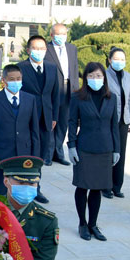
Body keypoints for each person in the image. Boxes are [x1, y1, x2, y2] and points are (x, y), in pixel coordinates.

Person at [68, 62, 120, 242]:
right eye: (91, 76)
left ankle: (93, 224)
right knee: (83, 186)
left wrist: (117, 149)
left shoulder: (111, 98)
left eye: (98, 76)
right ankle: (82, 223)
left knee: (97, 188)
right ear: (85, 78)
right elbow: (72, 122)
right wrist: (71, 146)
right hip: (85, 147)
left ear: (104, 78)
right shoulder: (77, 97)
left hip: (105, 148)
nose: (95, 79)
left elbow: (114, 125)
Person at [0, 64, 41, 196]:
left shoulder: (30, 99)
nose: (16, 82)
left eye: (18, 79)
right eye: (12, 79)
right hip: (2, 155)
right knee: (2, 191)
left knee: (23, 192)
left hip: (24, 154)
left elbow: (34, 130)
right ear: (4, 81)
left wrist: (35, 156)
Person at [17, 36, 59, 203]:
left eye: (42, 48)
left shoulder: (52, 68)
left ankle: (36, 188)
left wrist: (54, 116)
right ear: (28, 50)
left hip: (45, 118)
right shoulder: (21, 68)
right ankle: (21, 186)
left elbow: (56, 94)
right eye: (35, 48)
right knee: (26, 153)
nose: (39, 51)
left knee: (40, 156)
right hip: (25, 118)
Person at [104, 48, 130, 199]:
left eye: (122, 59)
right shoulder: (104, 75)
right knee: (108, 152)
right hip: (109, 120)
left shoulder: (128, 76)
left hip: (123, 120)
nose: (119, 62)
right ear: (110, 60)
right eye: (116, 59)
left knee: (121, 154)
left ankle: (117, 186)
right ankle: (106, 186)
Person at [46, 23, 79, 165]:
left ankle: (58, 153)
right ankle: (48, 154)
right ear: (52, 35)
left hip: (67, 89)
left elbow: (74, 69)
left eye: (64, 34)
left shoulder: (71, 48)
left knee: (63, 122)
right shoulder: (46, 48)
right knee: (50, 122)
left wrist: (76, 90)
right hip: (52, 90)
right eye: (58, 34)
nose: (61, 37)